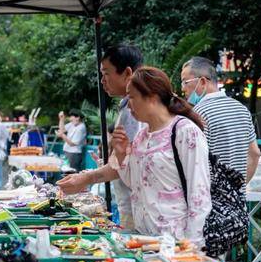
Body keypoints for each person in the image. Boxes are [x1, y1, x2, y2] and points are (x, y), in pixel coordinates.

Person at [74, 67, 212, 245]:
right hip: (145, 237)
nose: (128, 104)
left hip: (177, 240)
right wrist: (122, 154)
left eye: (131, 97)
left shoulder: (185, 131)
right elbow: (136, 183)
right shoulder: (142, 136)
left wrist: (192, 245)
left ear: (152, 97)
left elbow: (199, 193)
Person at [57, 45, 143, 228]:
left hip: (142, 211)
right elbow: (121, 161)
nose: (102, 81)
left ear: (127, 73)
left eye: (106, 73)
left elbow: (122, 163)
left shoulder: (133, 110)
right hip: (137, 207)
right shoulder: (127, 107)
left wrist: (87, 178)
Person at [181, 57, 261, 182]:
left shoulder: (199, 113)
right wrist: (238, 188)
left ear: (202, 81)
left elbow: (194, 162)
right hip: (237, 199)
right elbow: (255, 154)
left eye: (185, 82)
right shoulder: (242, 109)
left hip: (209, 199)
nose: (182, 88)